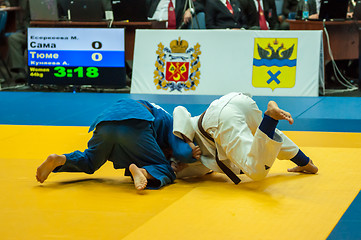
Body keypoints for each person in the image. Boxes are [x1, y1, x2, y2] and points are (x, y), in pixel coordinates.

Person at [36, 99, 199, 190]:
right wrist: (190, 152)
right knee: (165, 169)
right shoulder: (172, 124)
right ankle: (142, 171)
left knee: (90, 160)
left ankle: (60, 159)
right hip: (135, 125)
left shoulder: (158, 111)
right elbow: (180, 150)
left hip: (105, 121)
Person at [172, 92, 318, 183]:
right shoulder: (178, 166)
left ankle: (270, 118)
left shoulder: (168, 136)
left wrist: (189, 142)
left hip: (219, 120)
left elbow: (179, 110)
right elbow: (204, 168)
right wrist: (180, 165)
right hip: (237, 101)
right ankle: (305, 162)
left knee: (255, 170)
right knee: (265, 135)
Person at [7, 0, 29, 84]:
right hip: (27, 31)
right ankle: (20, 71)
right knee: (13, 38)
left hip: (44, 32)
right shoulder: (25, 4)